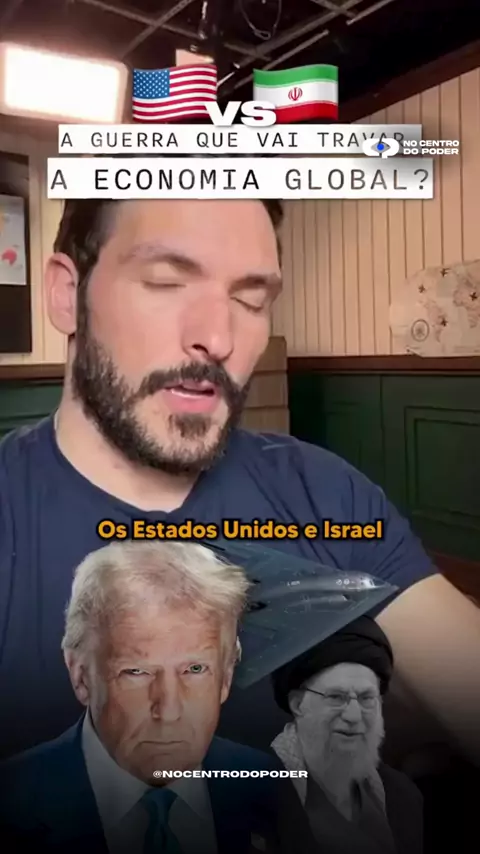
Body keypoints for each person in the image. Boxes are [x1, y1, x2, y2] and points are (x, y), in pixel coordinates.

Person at [0, 196, 478, 764]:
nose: (218, 337)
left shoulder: (322, 492)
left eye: (250, 300)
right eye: (166, 283)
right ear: (66, 294)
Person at [0, 540, 310, 854]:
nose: (169, 710)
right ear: (81, 677)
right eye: (136, 672)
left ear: (226, 676)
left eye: (195, 669)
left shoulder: (268, 787)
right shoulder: (10, 801)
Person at [271, 617, 423, 854]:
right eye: (336, 697)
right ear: (298, 704)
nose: (354, 715)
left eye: (366, 698)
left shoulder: (403, 796)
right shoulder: (251, 790)